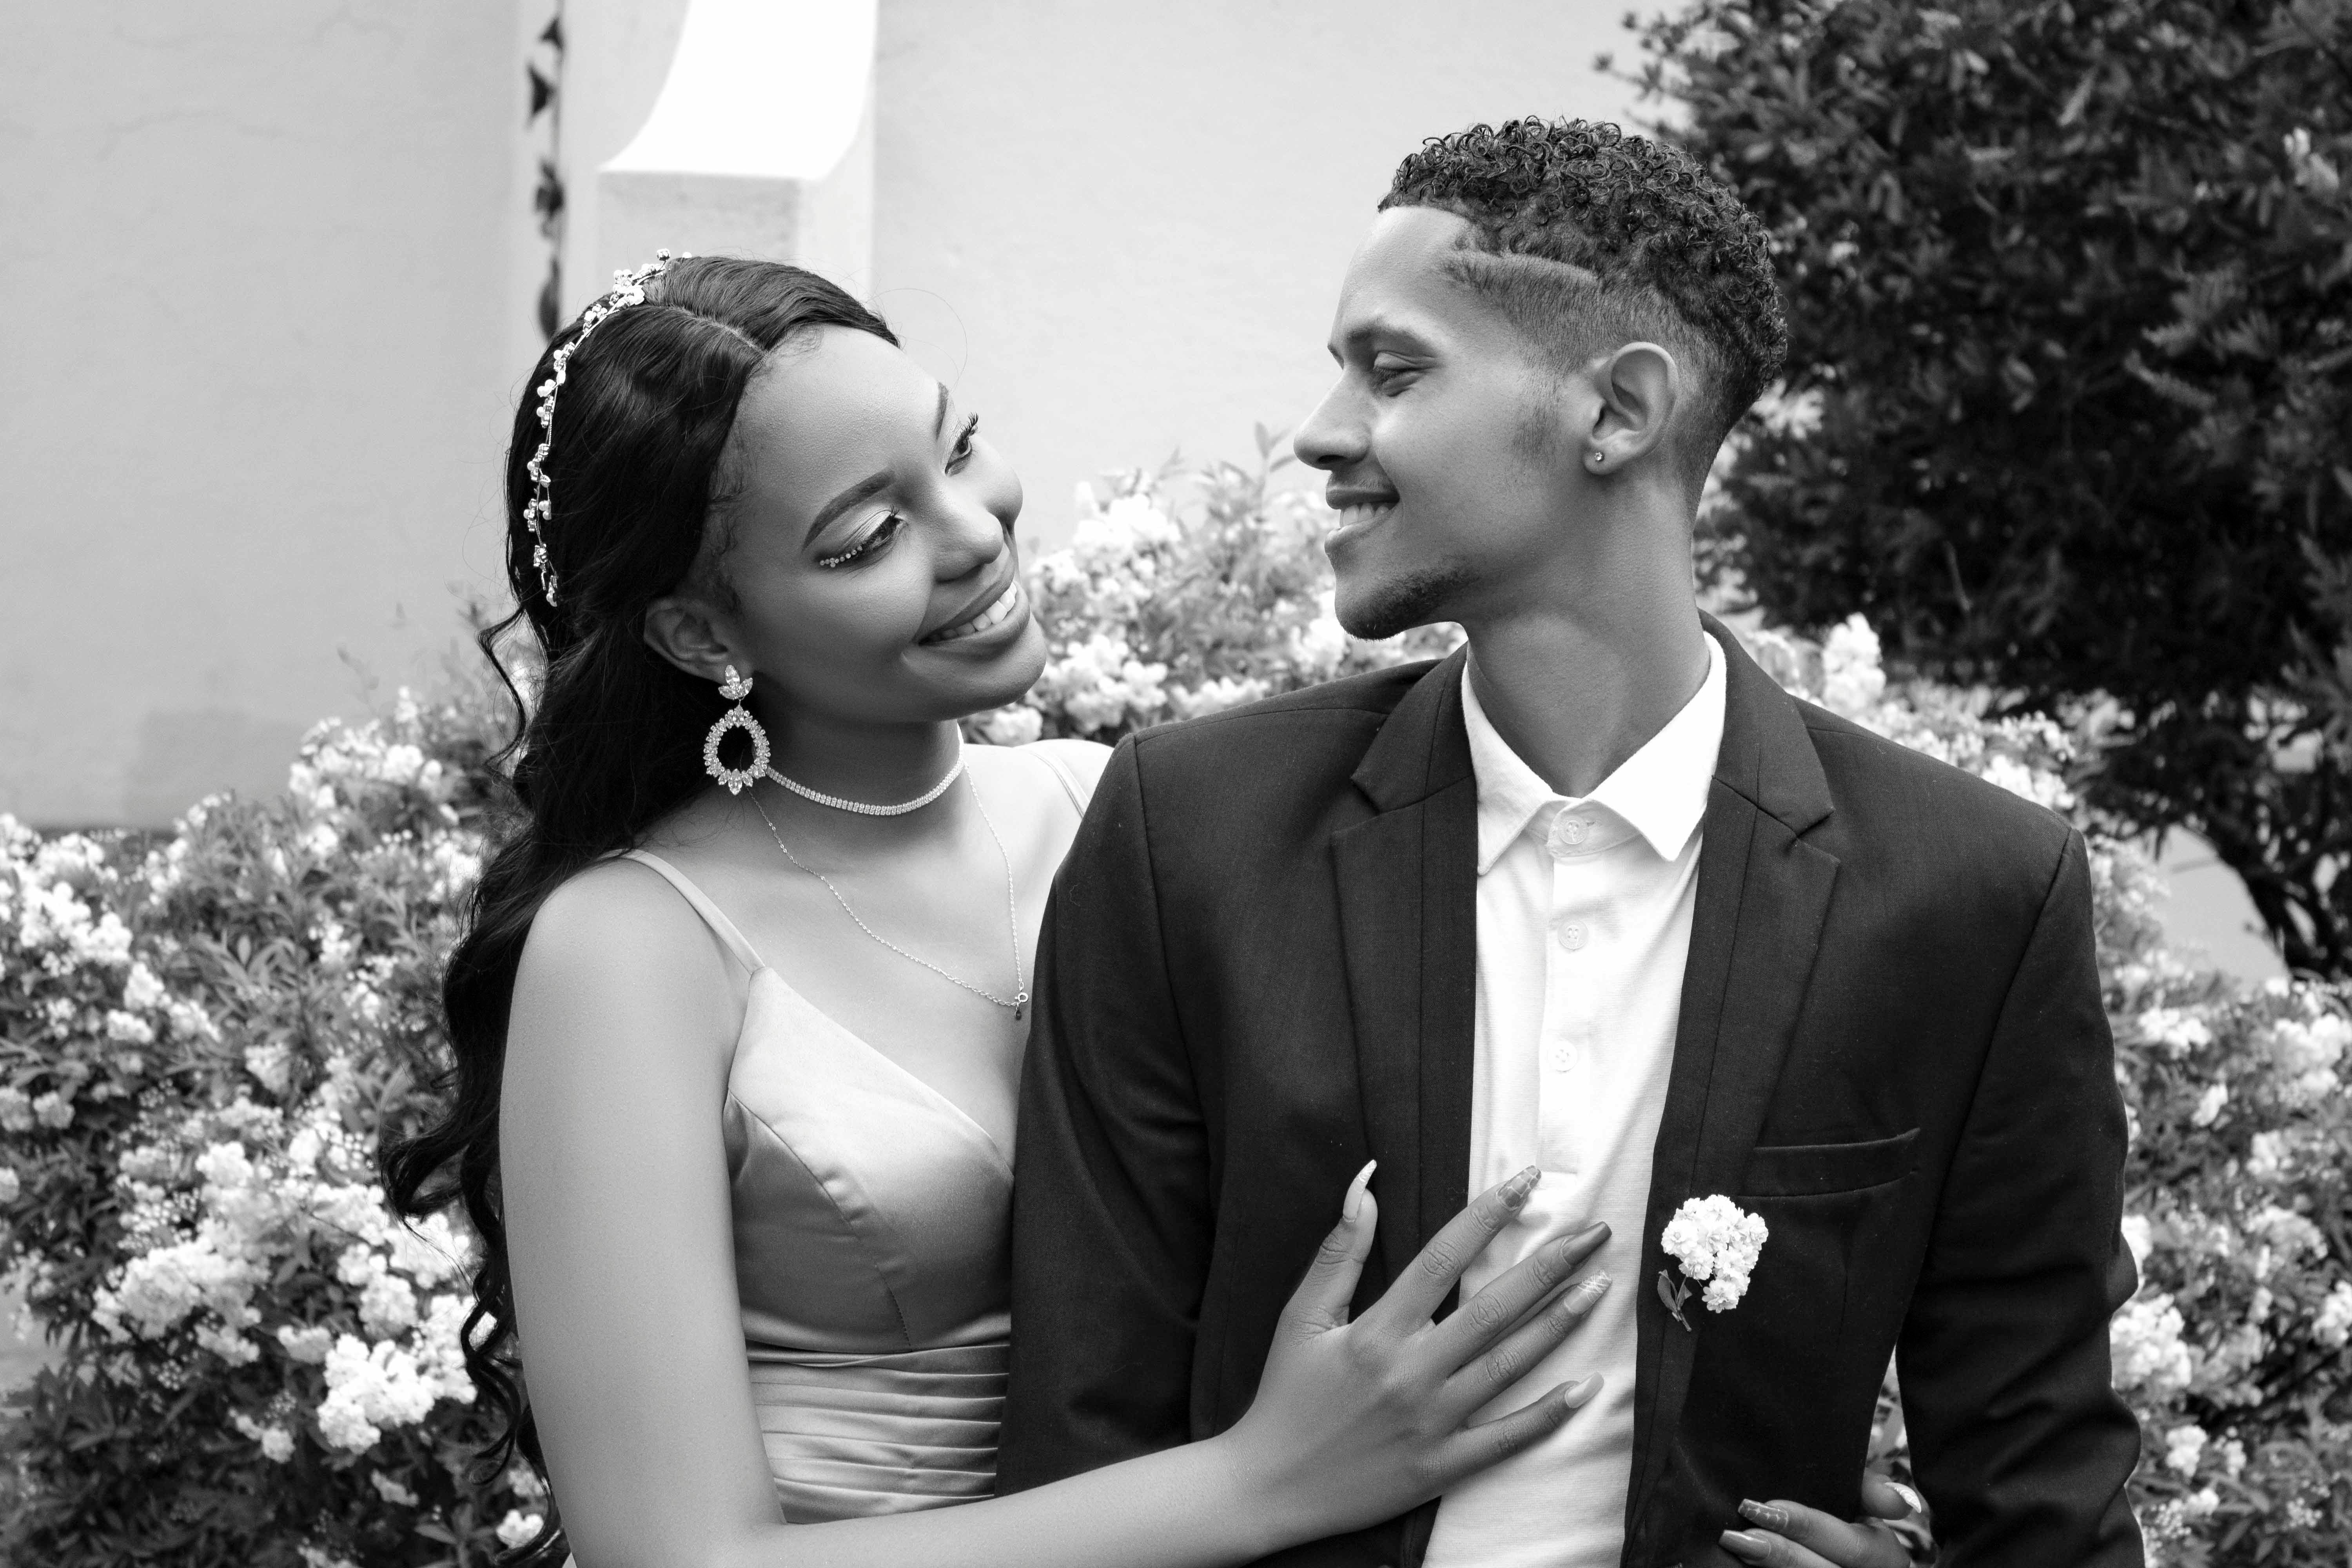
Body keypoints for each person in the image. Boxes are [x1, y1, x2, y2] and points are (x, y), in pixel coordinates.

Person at [998, 119, 2145, 1568]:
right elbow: (1080, 1434)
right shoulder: (1190, 833)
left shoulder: (1972, 891)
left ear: (1620, 411)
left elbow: (2044, 1491)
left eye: (1394, 368)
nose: (1322, 431)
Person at [381, 252, 1628, 1568]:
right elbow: (674, 1558)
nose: (973, 531)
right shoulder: (632, 947)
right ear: (701, 637)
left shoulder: (1120, 815)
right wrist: (1263, 1483)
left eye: (957, 447)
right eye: (867, 537)